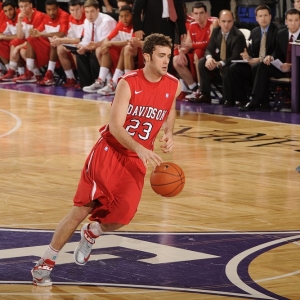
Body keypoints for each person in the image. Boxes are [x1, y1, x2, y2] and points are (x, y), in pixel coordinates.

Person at [31, 33, 181, 287]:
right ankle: (44, 264)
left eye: (169, 56)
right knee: (83, 208)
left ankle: (92, 232)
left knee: (122, 217)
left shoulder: (173, 84)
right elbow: (115, 127)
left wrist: (168, 132)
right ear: (147, 57)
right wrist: (141, 148)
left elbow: (169, 109)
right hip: (109, 153)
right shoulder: (128, 83)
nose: (166, 61)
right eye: (161, 56)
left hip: (135, 160)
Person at [240, 8, 300, 111]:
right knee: (262, 65)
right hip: (283, 68)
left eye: (296, 20)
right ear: (286, 22)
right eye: (290, 20)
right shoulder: (281, 34)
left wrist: (291, 66)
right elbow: (276, 53)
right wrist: (270, 57)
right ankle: (257, 101)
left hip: (297, 69)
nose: (293, 23)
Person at [230, 4, 278, 107]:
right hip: (255, 64)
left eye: (265, 15)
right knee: (235, 68)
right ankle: (242, 99)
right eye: (260, 16)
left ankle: (259, 101)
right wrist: (247, 57)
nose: (263, 18)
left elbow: (277, 52)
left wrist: (260, 59)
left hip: (271, 65)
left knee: (258, 66)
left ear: (270, 16)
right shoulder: (255, 31)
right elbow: (252, 52)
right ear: (256, 18)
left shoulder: (278, 31)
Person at [195, 10, 246, 105]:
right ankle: (205, 95)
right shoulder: (216, 31)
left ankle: (228, 99)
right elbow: (209, 49)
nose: (226, 24)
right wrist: (209, 59)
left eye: (229, 21)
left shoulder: (238, 36)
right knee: (202, 62)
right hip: (219, 62)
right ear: (219, 21)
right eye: (223, 21)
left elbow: (235, 57)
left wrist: (219, 64)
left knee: (227, 68)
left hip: (231, 64)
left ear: (233, 21)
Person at [13, 0, 69, 84]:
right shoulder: (45, 17)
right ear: (45, 10)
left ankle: (49, 74)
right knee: (30, 40)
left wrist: (40, 34)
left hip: (65, 43)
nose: (51, 12)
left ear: (58, 8)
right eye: (49, 10)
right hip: (52, 44)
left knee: (53, 43)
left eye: (53, 9)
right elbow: (32, 33)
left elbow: (62, 33)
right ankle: (31, 72)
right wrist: (34, 32)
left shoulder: (64, 15)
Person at [132, 0, 187, 74]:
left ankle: (166, 82)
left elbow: (179, 8)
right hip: (151, 26)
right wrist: (138, 28)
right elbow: (136, 9)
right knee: (152, 56)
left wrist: (182, 29)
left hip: (170, 25)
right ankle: (150, 83)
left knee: (168, 57)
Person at [173, 2, 214, 99]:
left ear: (206, 14)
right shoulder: (192, 26)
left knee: (198, 52)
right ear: (192, 15)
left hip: (209, 55)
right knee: (176, 60)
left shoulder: (212, 25)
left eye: (201, 13)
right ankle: (194, 88)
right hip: (196, 54)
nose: (198, 16)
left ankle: (201, 88)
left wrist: (192, 45)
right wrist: (181, 52)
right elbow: (187, 45)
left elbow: (210, 44)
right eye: (196, 13)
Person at [75, 0, 117, 89]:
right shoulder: (87, 21)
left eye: (92, 11)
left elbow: (106, 41)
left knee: (98, 51)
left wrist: (92, 46)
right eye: (87, 12)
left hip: (112, 47)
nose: (89, 15)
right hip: (95, 46)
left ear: (98, 10)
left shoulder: (107, 21)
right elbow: (87, 38)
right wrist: (81, 46)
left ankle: (107, 81)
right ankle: (87, 83)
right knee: (79, 53)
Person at [0, 0, 44, 81]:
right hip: (29, 43)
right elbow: (20, 37)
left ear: (31, 5)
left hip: (42, 44)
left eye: (26, 6)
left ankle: (35, 73)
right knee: (15, 42)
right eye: (21, 7)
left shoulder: (39, 16)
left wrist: (18, 47)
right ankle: (12, 70)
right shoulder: (22, 17)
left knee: (22, 50)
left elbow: (35, 37)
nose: (24, 9)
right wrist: (19, 21)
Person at [94, 5, 134, 95]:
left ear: (132, 15)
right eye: (121, 16)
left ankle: (122, 83)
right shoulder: (120, 24)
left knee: (125, 48)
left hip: (136, 54)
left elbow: (130, 42)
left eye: (127, 16)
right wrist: (105, 45)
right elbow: (108, 38)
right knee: (105, 48)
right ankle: (101, 80)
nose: (124, 19)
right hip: (124, 55)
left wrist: (110, 43)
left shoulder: (136, 25)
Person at [49, 0, 85, 88]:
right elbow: (70, 36)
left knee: (75, 49)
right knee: (60, 48)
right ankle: (70, 78)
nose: (75, 13)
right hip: (76, 41)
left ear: (82, 8)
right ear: (69, 10)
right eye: (72, 10)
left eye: (77, 10)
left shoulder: (86, 18)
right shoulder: (70, 18)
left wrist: (64, 40)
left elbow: (82, 39)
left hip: (85, 43)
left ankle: (82, 79)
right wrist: (60, 39)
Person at [0, 0, 18, 73]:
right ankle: (9, 69)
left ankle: (33, 72)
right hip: (14, 42)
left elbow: (21, 36)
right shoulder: (8, 19)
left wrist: (4, 37)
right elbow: (3, 32)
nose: (8, 13)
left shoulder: (21, 17)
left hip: (25, 43)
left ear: (15, 9)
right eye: (6, 11)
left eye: (10, 10)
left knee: (15, 43)